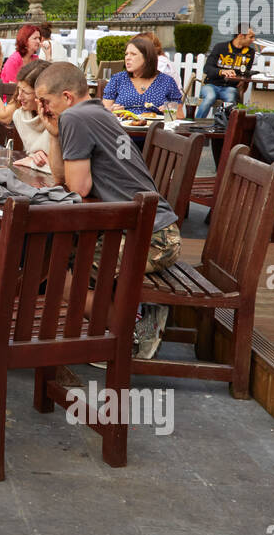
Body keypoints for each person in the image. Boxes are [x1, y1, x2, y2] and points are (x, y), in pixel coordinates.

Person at [35, 60, 181, 359]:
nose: (42, 109)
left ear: (66, 97)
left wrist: (62, 127)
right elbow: (62, 178)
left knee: (58, 279)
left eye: (46, 101)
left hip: (151, 239)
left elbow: (78, 190)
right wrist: (53, 134)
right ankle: (124, 323)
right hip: (154, 229)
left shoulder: (75, 117)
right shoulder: (95, 110)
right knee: (58, 261)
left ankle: (137, 329)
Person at [102, 33, 183, 114]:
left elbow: (180, 115)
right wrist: (111, 111)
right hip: (123, 125)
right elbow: (104, 112)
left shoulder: (167, 81)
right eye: (126, 54)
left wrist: (170, 112)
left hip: (155, 126)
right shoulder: (118, 79)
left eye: (133, 54)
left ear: (147, 57)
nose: (127, 58)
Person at [198, 26, 257, 118]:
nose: (253, 40)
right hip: (211, 85)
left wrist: (245, 79)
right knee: (210, 97)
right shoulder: (220, 47)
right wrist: (222, 71)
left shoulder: (250, 52)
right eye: (251, 37)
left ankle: (222, 126)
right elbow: (207, 68)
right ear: (241, 35)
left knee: (230, 100)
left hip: (230, 87)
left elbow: (246, 72)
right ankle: (196, 123)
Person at [11, 58, 55, 165]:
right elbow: (32, 155)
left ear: (41, 93)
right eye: (19, 90)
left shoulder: (59, 117)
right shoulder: (20, 116)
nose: (19, 97)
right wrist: (35, 156)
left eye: (25, 92)